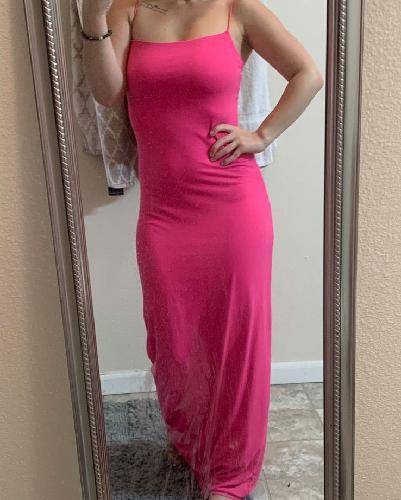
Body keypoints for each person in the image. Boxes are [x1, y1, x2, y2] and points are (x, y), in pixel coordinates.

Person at [81, 0, 324, 498]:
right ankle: (192, 439)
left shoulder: (238, 8)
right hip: (164, 214)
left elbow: (308, 74)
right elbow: (108, 94)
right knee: (173, 340)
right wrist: (92, 20)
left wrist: (262, 135)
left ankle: (231, 475)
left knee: (236, 346)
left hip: (233, 208)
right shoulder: (127, 9)